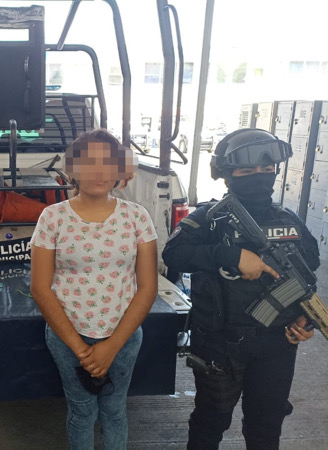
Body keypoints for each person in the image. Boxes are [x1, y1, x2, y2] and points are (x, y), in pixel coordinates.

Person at [162, 128, 320, 449]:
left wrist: (305, 319)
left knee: (266, 425)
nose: (259, 176)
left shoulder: (287, 219)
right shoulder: (210, 219)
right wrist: (231, 256)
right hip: (220, 345)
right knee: (210, 422)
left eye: (267, 169)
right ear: (226, 174)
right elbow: (173, 255)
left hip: (277, 344)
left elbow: (307, 273)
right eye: (247, 171)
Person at [30, 129, 158, 449]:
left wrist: (112, 345)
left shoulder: (137, 217)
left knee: (114, 410)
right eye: (89, 162)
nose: (99, 171)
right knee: (82, 410)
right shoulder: (52, 218)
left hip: (123, 337)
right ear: (72, 170)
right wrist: (80, 348)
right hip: (67, 337)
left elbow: (147, 288)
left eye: (108, 162)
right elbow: (41, 288)